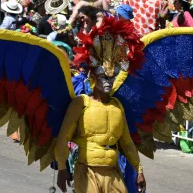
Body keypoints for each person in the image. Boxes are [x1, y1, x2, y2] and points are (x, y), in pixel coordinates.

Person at [56, 17, 146, 193]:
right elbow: (63, 137)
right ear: (94, 76)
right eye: (104, 77)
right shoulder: (81, 103)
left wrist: (139, 170)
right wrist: (61, 168)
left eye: (111, 78)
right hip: (85, 170)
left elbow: (126, 142)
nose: (108, 82)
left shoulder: (117, 105)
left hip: (112, 171)